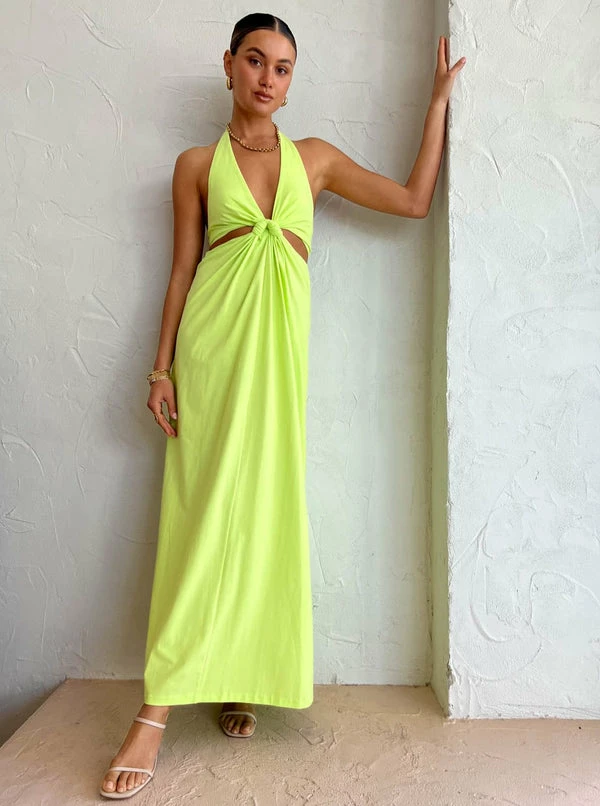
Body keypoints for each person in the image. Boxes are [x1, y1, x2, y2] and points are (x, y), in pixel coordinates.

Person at [99, 12, 465, 799]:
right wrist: (159, 370)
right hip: (211, 352)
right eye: (256, 60)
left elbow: (412, 201)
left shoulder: (316, 161)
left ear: (292, 82)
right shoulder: (196, 165)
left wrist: (436, 104)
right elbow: (180, 271)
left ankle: (242, 677)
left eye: (283, 66)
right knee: (201, 514)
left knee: (266, 513)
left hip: (278, 362)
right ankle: (156, 709)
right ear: (229, 64)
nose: (268, 77)